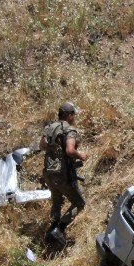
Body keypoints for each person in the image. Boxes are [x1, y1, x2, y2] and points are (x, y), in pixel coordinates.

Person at [40, 102, 88, 245]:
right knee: (79, 204)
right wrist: (81, 155)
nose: (74, 117)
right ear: (69, 115)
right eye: (73, 115)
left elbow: (41, 146)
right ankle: (60, 228)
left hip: (49, 173)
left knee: (57, 200)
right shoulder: (69, 130)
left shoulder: (49, 128)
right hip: (63, 174)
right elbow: (70, 150)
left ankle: (52, 230)